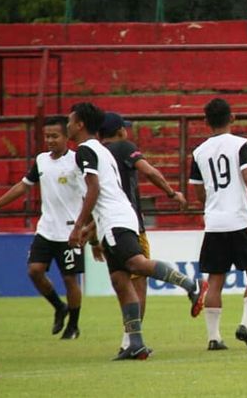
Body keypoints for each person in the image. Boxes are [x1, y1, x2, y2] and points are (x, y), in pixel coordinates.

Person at [65, 102, 207, 360]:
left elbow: (95, 190)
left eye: (70, 120)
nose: (67, 125)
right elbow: (109, 191)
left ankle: (192, 285)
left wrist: (78, 227)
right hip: (114, 218)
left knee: (136, 263)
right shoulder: (101, 150)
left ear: (80, 124)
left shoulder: (85, 151)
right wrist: (90, 228)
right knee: (121, 281)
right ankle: (136, 344)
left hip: (115, 219)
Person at [189, 98, 247, 351]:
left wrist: (211, 206)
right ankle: (246, 325)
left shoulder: (198, 152)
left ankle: (214, 337)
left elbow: (197, 191)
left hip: (215, 222)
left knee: (215, 279)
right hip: (239, 220)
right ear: (232, 118)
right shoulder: (241, 145)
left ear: (206, 122)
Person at [0, 116, 85, 340]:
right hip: (47, 229)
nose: (50, 140)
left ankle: (74, 325)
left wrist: (86, 226)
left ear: (66, 136)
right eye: (47, 136)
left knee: (70, 279)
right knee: (35, 270)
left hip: (69, 230)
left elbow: (89, 192)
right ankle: (59, 307)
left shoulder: (77, 161)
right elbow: (24, 185)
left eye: (55, 136)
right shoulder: (41, 160)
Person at [99, 112, 188, 352]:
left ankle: (130, 342)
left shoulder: (95, 154)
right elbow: (150, 172)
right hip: (129, 224)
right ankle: (131, 341)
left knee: (122, 283)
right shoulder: (124, 147)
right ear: (120, 131)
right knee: (138, 282)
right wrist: (172, 193)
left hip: (105, 227)